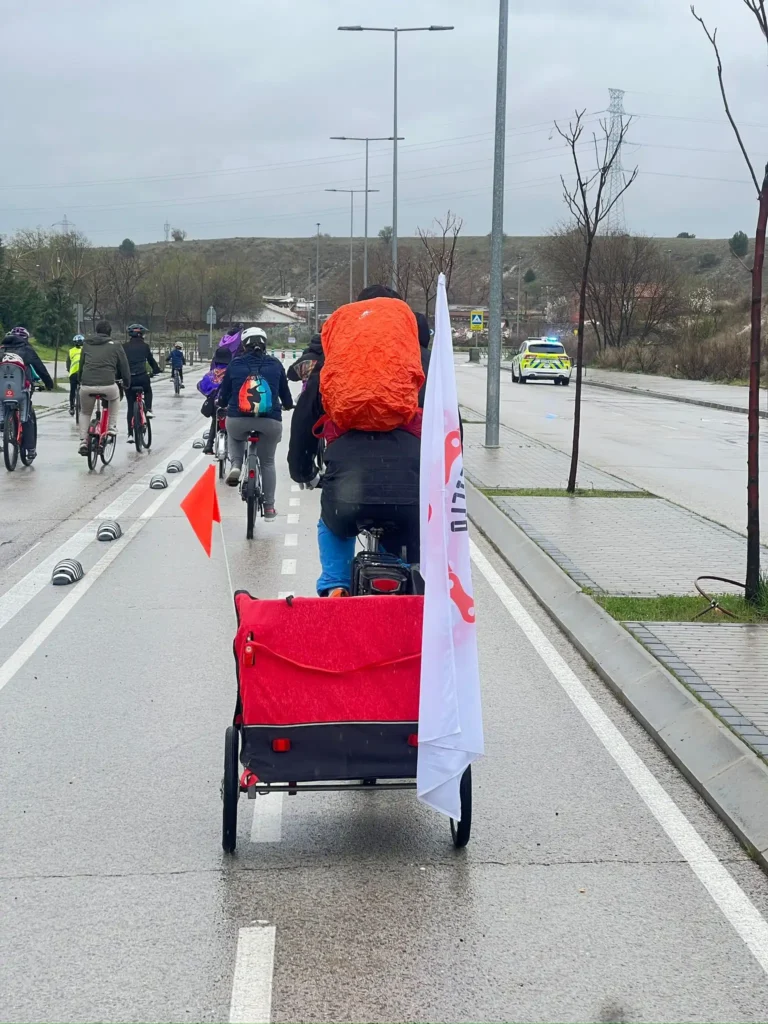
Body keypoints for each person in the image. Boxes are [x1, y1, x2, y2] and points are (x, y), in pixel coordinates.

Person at [287, 285, 423, 597]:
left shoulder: (336, 367)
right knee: (405, 543)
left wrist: (302, 470)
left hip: (347, 493)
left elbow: (304, 418)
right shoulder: (418, 364)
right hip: (408, 490)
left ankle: (336, 587)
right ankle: (402, 590)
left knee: (332, 524)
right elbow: (450, 427)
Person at [217, 327, 293, 521]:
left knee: (234, 434)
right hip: (270, 422)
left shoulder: (235, 364)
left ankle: (236, 464)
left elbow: (224, 394)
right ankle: (269, 508)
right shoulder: (275, 364)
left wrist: (223, 404)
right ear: (265, 344)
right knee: (267, 462)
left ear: (244, 345)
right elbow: (285, 394)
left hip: (238, 419)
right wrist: (287, 405)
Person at [77, 320, 131, 456]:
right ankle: (112, 427)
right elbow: (124, 366)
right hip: (108, 385)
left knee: (85, 412)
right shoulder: (116, 345)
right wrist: (126, 382)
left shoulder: (87, 344)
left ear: (96, 331)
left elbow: (81, 365)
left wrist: (80, 381)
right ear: (109, 333)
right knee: (115, 396)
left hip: (87, 385)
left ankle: (83, 441)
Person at [1, 330, 54, 461]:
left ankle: (4, 423)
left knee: (2, 412)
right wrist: (49, 384)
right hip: (22, 390)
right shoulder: (26, 350)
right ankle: (30, 449)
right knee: (27, 416)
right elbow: (40, 368)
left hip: (2, 391)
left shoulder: (1, 350)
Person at [122, 325, 160, 442]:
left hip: (129, 379)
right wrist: (156, 370)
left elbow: (121, 363)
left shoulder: (124, 347)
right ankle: (148, 409)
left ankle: (130, 434)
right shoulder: (145, 347)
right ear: (142, 335)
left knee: (130, 405)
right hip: (142, 377)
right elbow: (151, 361)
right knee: (148, 390)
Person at [198, 344, 233, 454]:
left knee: (215, 420)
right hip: (229, 405)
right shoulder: (232, 373)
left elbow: (200, 386)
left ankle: (209, 445)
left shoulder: (210, 375)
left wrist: (210, 394)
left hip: (214, 405)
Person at [66, 335, 84, 415]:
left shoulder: (71, 351)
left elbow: (68, 363)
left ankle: (72, 408)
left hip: (73, 373)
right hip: (83, 373)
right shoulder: (85, 350)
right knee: (84, 390)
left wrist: (69, 370)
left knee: (72, 391)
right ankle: (85, 407)